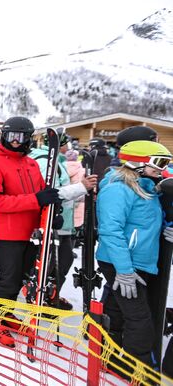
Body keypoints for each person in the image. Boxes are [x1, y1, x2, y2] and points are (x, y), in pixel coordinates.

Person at [0, 117, 63, 347]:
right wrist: (36, 199)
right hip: (8, 232)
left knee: (19, 279)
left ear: (28, 139)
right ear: (4, 136)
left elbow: (39, 195)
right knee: (8, 279)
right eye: (11, 137)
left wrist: (50, 213)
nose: (16, 142)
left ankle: (5, 313)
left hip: (32, 232)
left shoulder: (31, 164)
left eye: (21, 137)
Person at [96, 140, 173, 372]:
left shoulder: (147, 188)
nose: (163, 168)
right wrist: (125, 270)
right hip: (122, 261)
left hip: (137, 260)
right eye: (159, 162)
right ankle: (136, 369)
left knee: (117, 312)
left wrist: (166, 228)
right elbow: (111, 230)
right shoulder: (117, 188)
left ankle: (108, 357)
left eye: (167, 163)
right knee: (140, 320)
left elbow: (142, 224)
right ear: (138, 162)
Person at [29, 132, 96, 310]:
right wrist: (81, 187)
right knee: (56, 261)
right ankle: (41, 295)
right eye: (67, 144)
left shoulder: (56, 161)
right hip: (53, 221)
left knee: (61, 261)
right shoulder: (46, 161)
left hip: (62, 220)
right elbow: (51, 192)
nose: (70, 148)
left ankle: (50, 293)